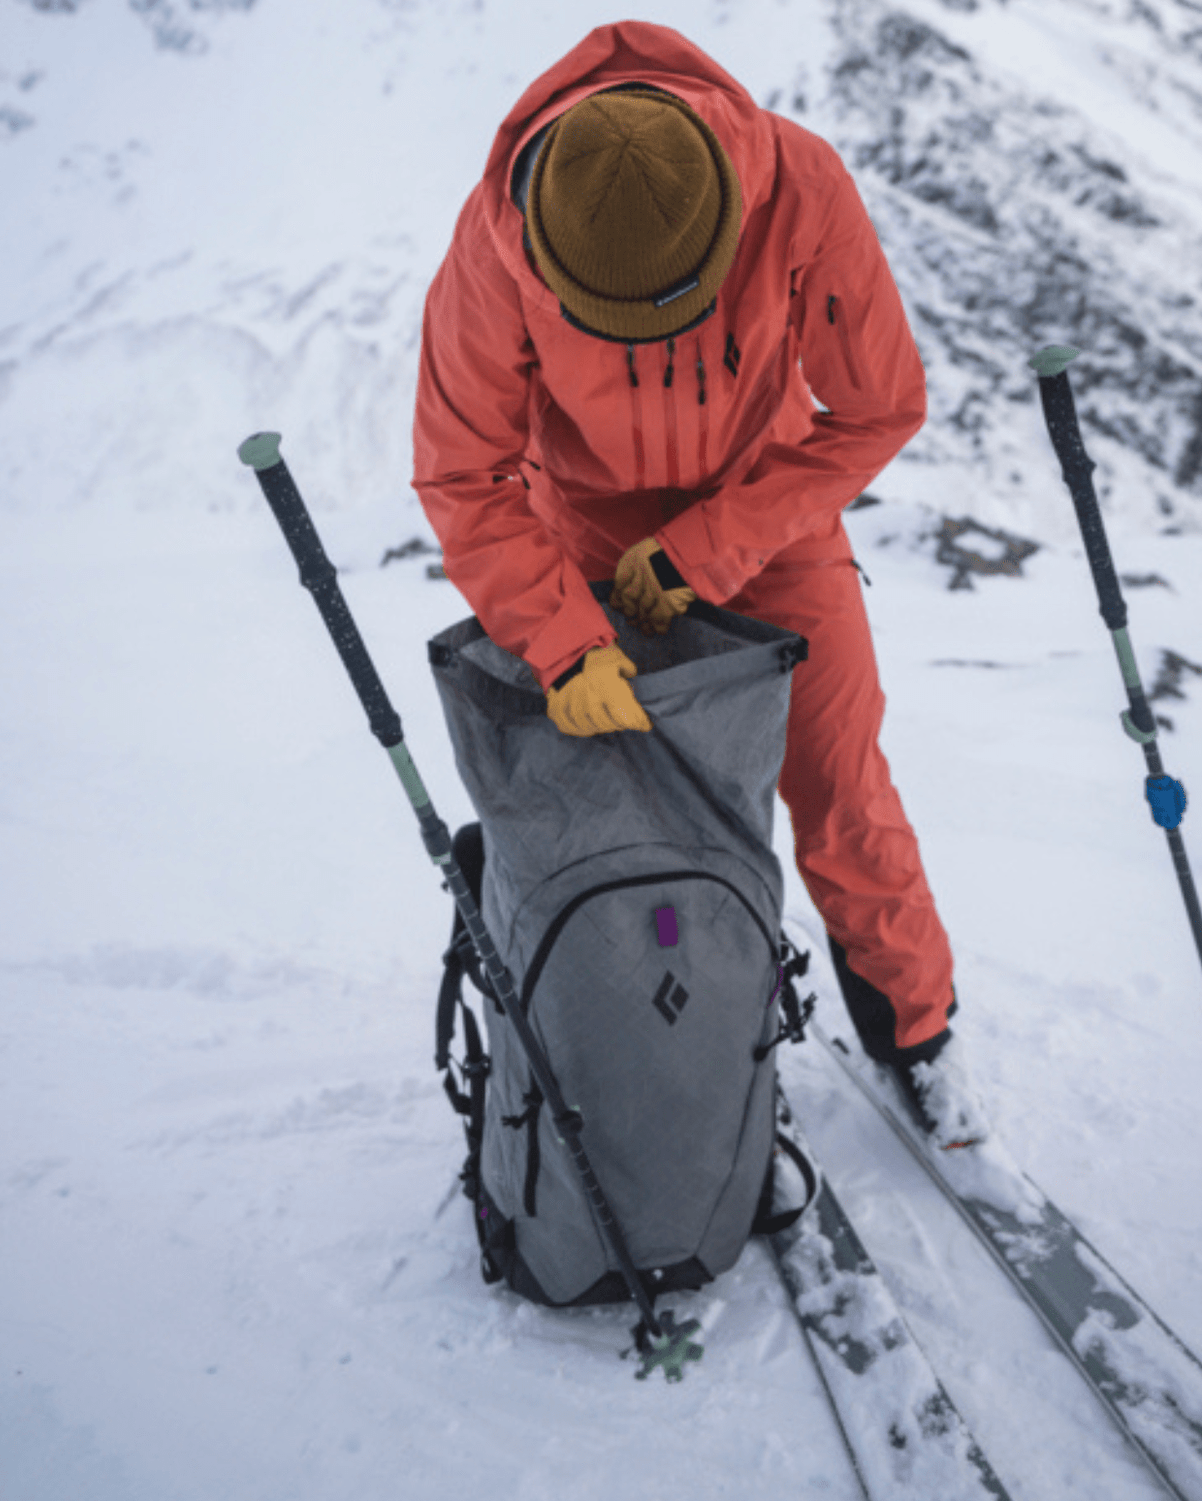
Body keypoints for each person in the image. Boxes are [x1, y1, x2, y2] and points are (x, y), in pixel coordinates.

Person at [412, 21, 987, 1149]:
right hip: (578, 542)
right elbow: (462, 471)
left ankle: (916, 1036)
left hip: (769, 514)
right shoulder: (495, 245)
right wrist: (561, 637)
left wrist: (708, 547)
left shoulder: (798, 186)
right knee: (632, 827)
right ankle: (688, 1076)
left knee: (838, 786)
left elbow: (877, 407)